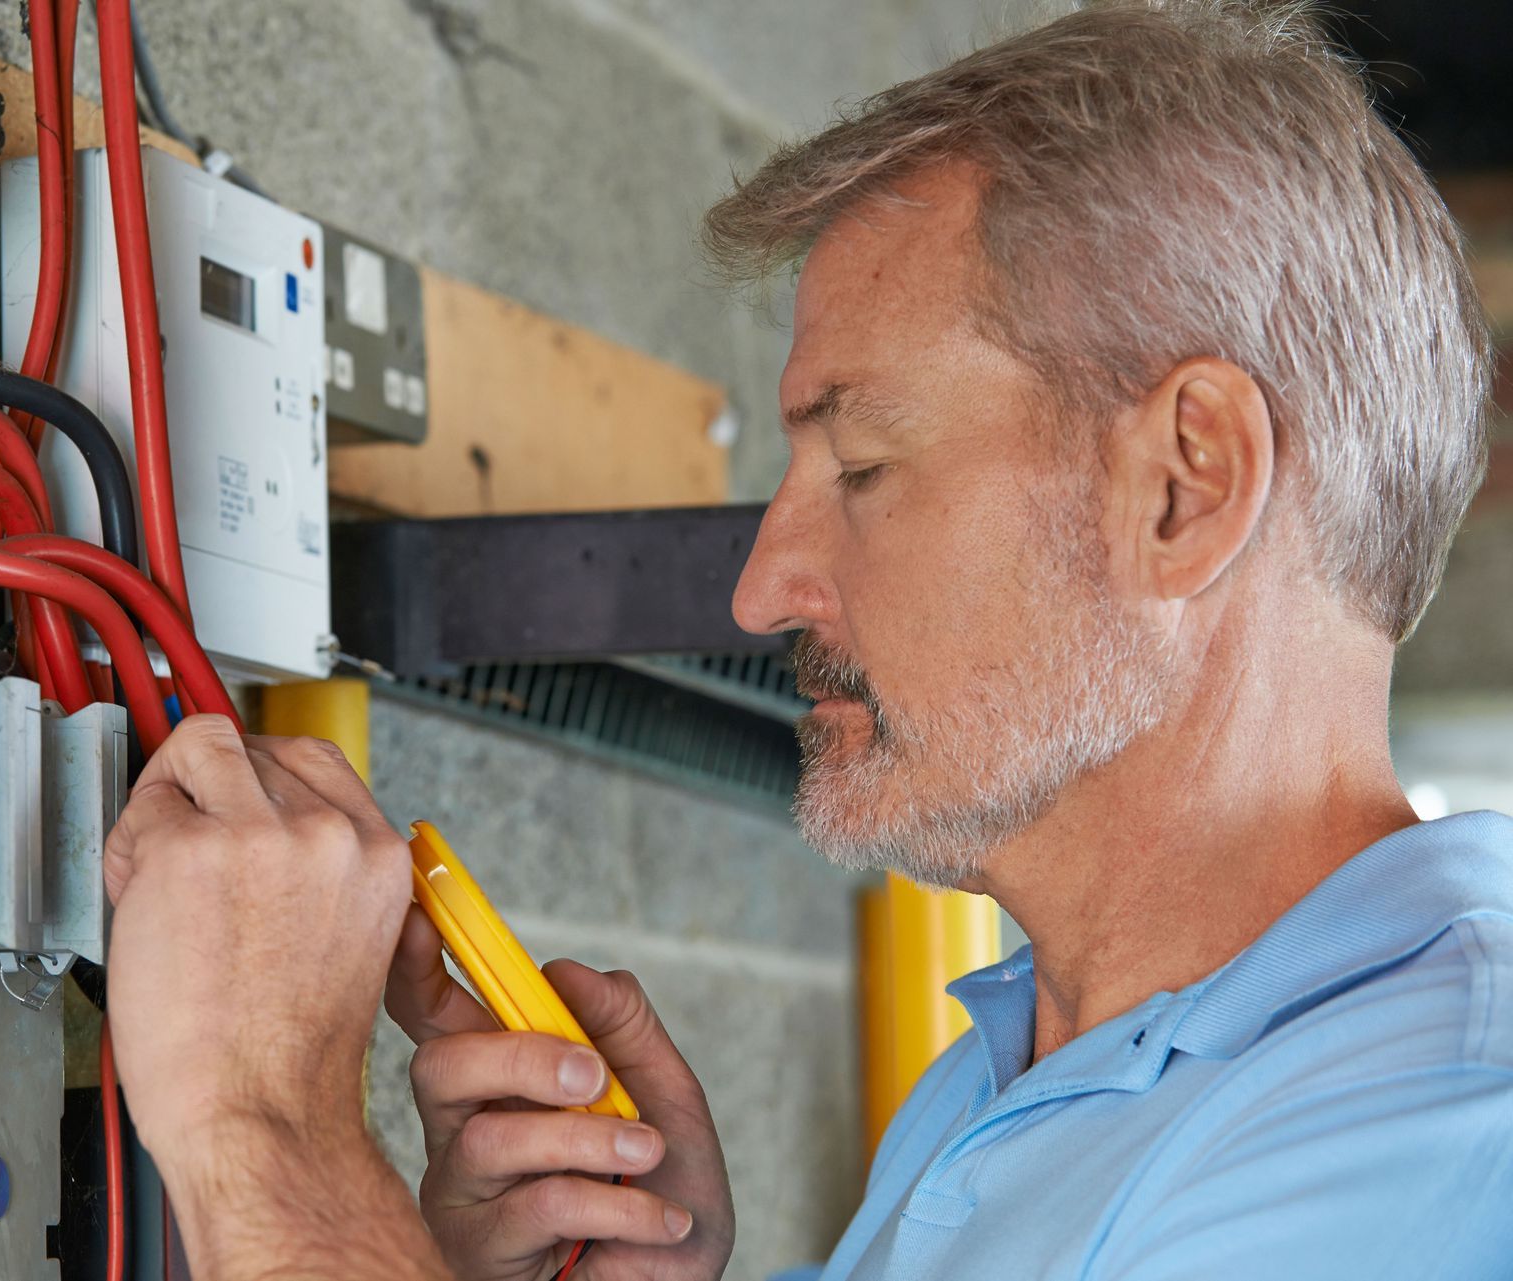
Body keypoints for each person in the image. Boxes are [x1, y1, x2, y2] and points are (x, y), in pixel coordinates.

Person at [98, 2, 1513, 1277]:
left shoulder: (1436, 1136)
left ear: (1183, 484)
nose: (762, 587)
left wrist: (267, 1135)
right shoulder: (1018, 1084)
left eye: (865, 466)